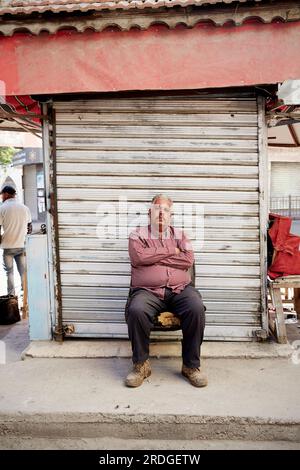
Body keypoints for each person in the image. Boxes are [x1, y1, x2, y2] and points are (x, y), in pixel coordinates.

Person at [125, 194, 207, 388]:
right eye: (157, 209)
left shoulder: (181, 235)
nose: (161, 213)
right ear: (149, 213)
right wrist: (172, 252)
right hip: (147, 291)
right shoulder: (136, 235)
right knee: (136, 310)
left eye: (166, 210)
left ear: (171, 215)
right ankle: (141, 366)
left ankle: (190, 366)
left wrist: (153, 257)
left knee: (196, 307)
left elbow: (187, 260)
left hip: (179, 289)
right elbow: (138, 258)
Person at [0, 185, 32, 296]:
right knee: (23, 271)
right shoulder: (24, 208)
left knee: (9, 272)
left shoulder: (2, 208)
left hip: (8, 246)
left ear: (6, 194)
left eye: (1, 194)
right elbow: (29, 227)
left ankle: (11, 295)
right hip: (21, 245)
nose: (1, 197)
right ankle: (26, 294)